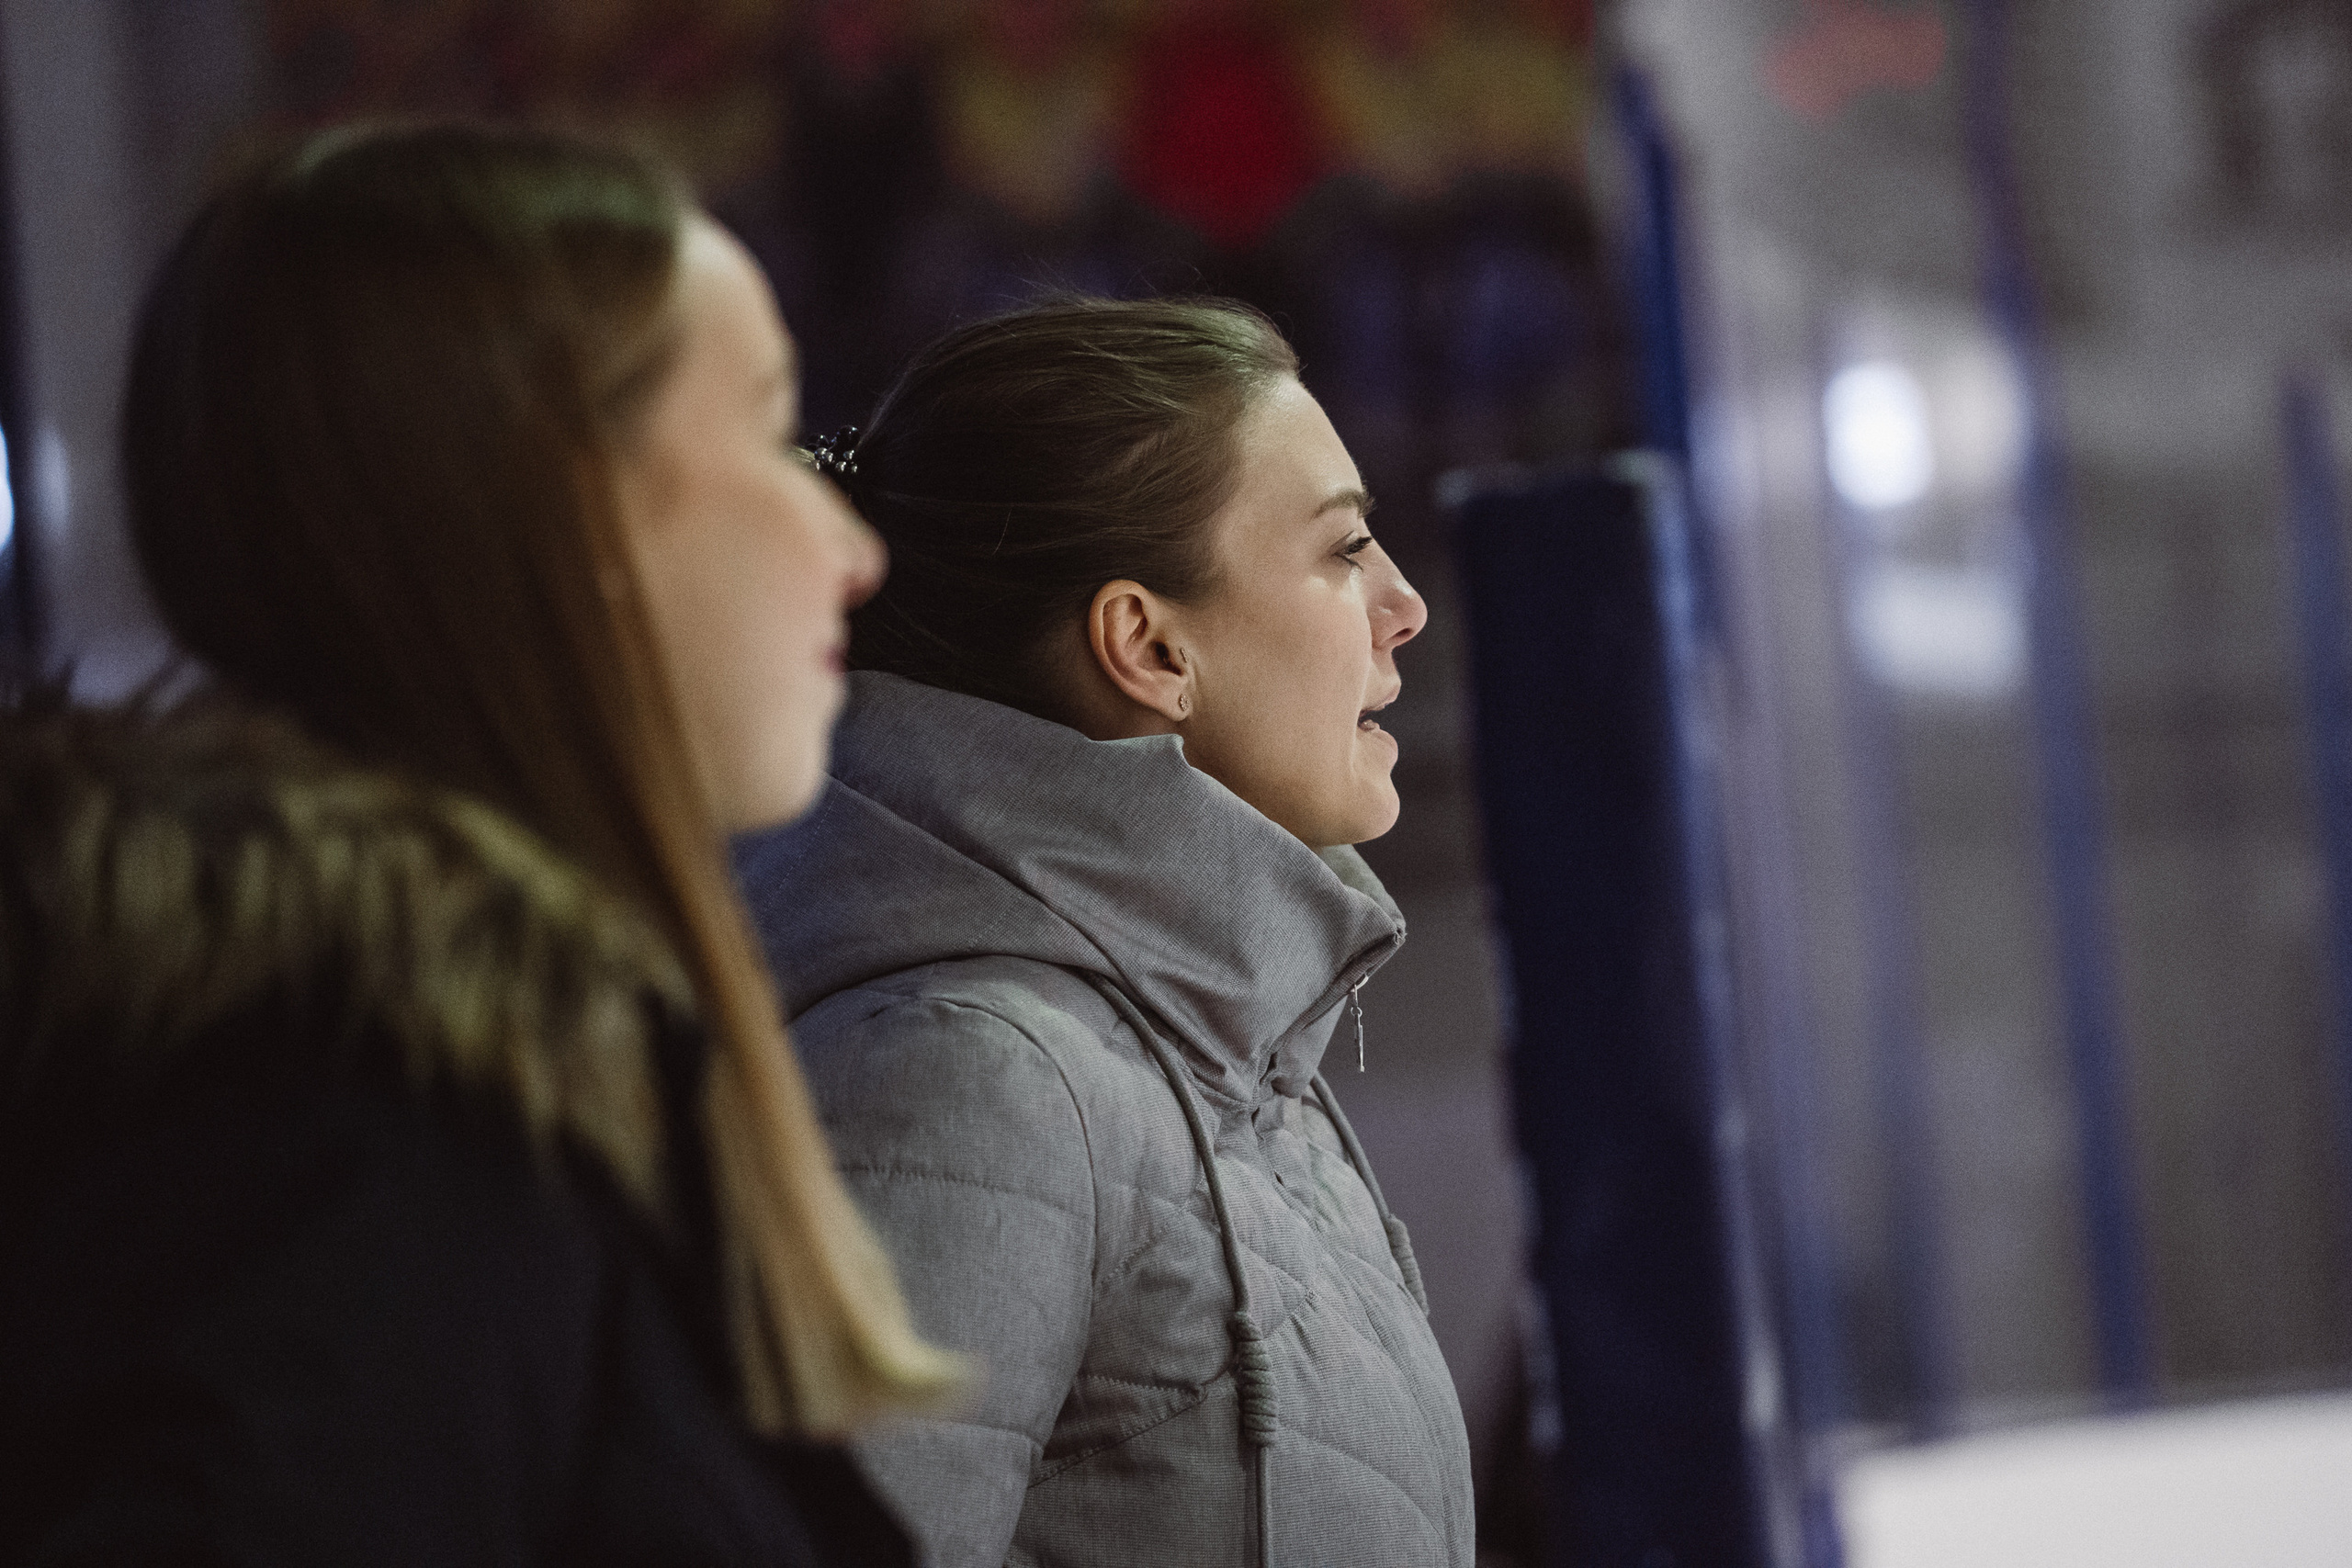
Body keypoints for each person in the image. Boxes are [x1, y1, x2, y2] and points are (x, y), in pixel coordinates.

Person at [0, 123, 962, 1565]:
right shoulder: (376, 1120)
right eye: (772, 437)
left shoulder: (447, 1076)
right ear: (565, 506)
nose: (853, 548)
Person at [735, 299, 1475, 1568]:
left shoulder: (1215, 1037)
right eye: (1346, 550)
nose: (1402, 605)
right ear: (1147, 642)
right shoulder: (968, 1079)